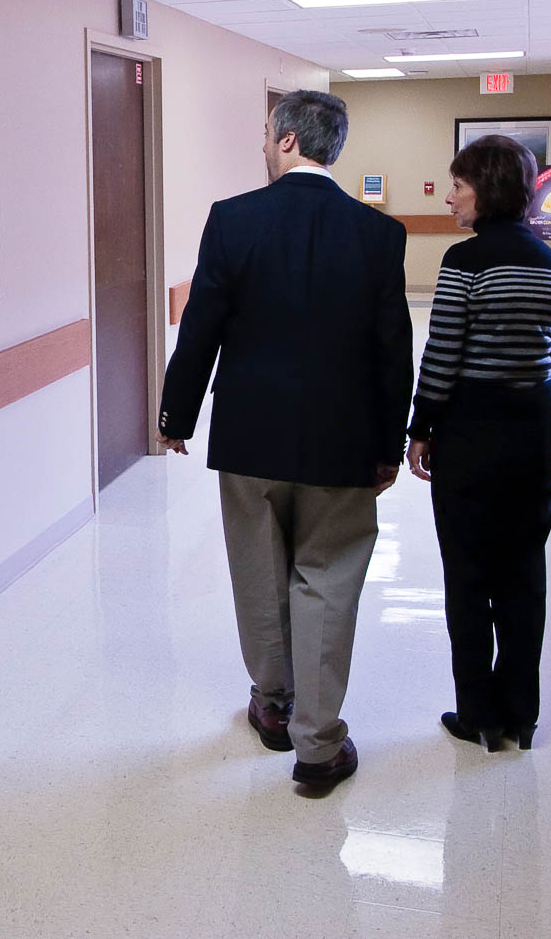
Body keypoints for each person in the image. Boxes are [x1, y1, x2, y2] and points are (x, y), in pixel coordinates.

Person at [157, 90, 414, 792]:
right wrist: (389, 445)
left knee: (259, 572)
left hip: (249, 438)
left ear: (291, 140)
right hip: (342, 442)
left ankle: (273, 706)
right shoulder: (377, 235)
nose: (264, 147)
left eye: (268, 136)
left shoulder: (233, 221)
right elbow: (395, 349)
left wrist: (176, 417)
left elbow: (201, 326)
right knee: (327, 581)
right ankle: (320, 746)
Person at [406, 135, 551, 752]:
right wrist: (533, 411)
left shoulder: (464, 262)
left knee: (469, 576)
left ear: (488, 189)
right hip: (533, 435)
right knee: (525, 576)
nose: (450, 197)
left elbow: (443, 353)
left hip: (471, 434)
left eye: (459, 184)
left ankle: (477, 713)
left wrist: (422, 428)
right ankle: (521, 716)